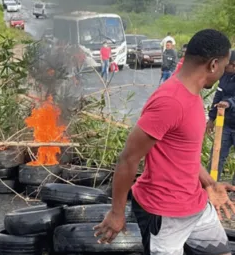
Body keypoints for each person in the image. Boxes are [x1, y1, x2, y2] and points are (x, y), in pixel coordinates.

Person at [94, 29, 235, 255]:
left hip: (197, 205)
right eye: (225, 66)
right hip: (165, 212)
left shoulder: (191, 85)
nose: (224, 73)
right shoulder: (170, 102)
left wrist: (209, 184)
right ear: (213, 65)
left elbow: (183, 153)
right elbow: (128, 159)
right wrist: (117, 213)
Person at [206, 51, 235, 181]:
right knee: (216, 156)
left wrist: (229, 103)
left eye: (226, 65)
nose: (223, 67)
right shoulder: (225, 75)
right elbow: (218, 96)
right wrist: (211, 118)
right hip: (226, 125)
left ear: (233, 65)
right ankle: (210, 186)